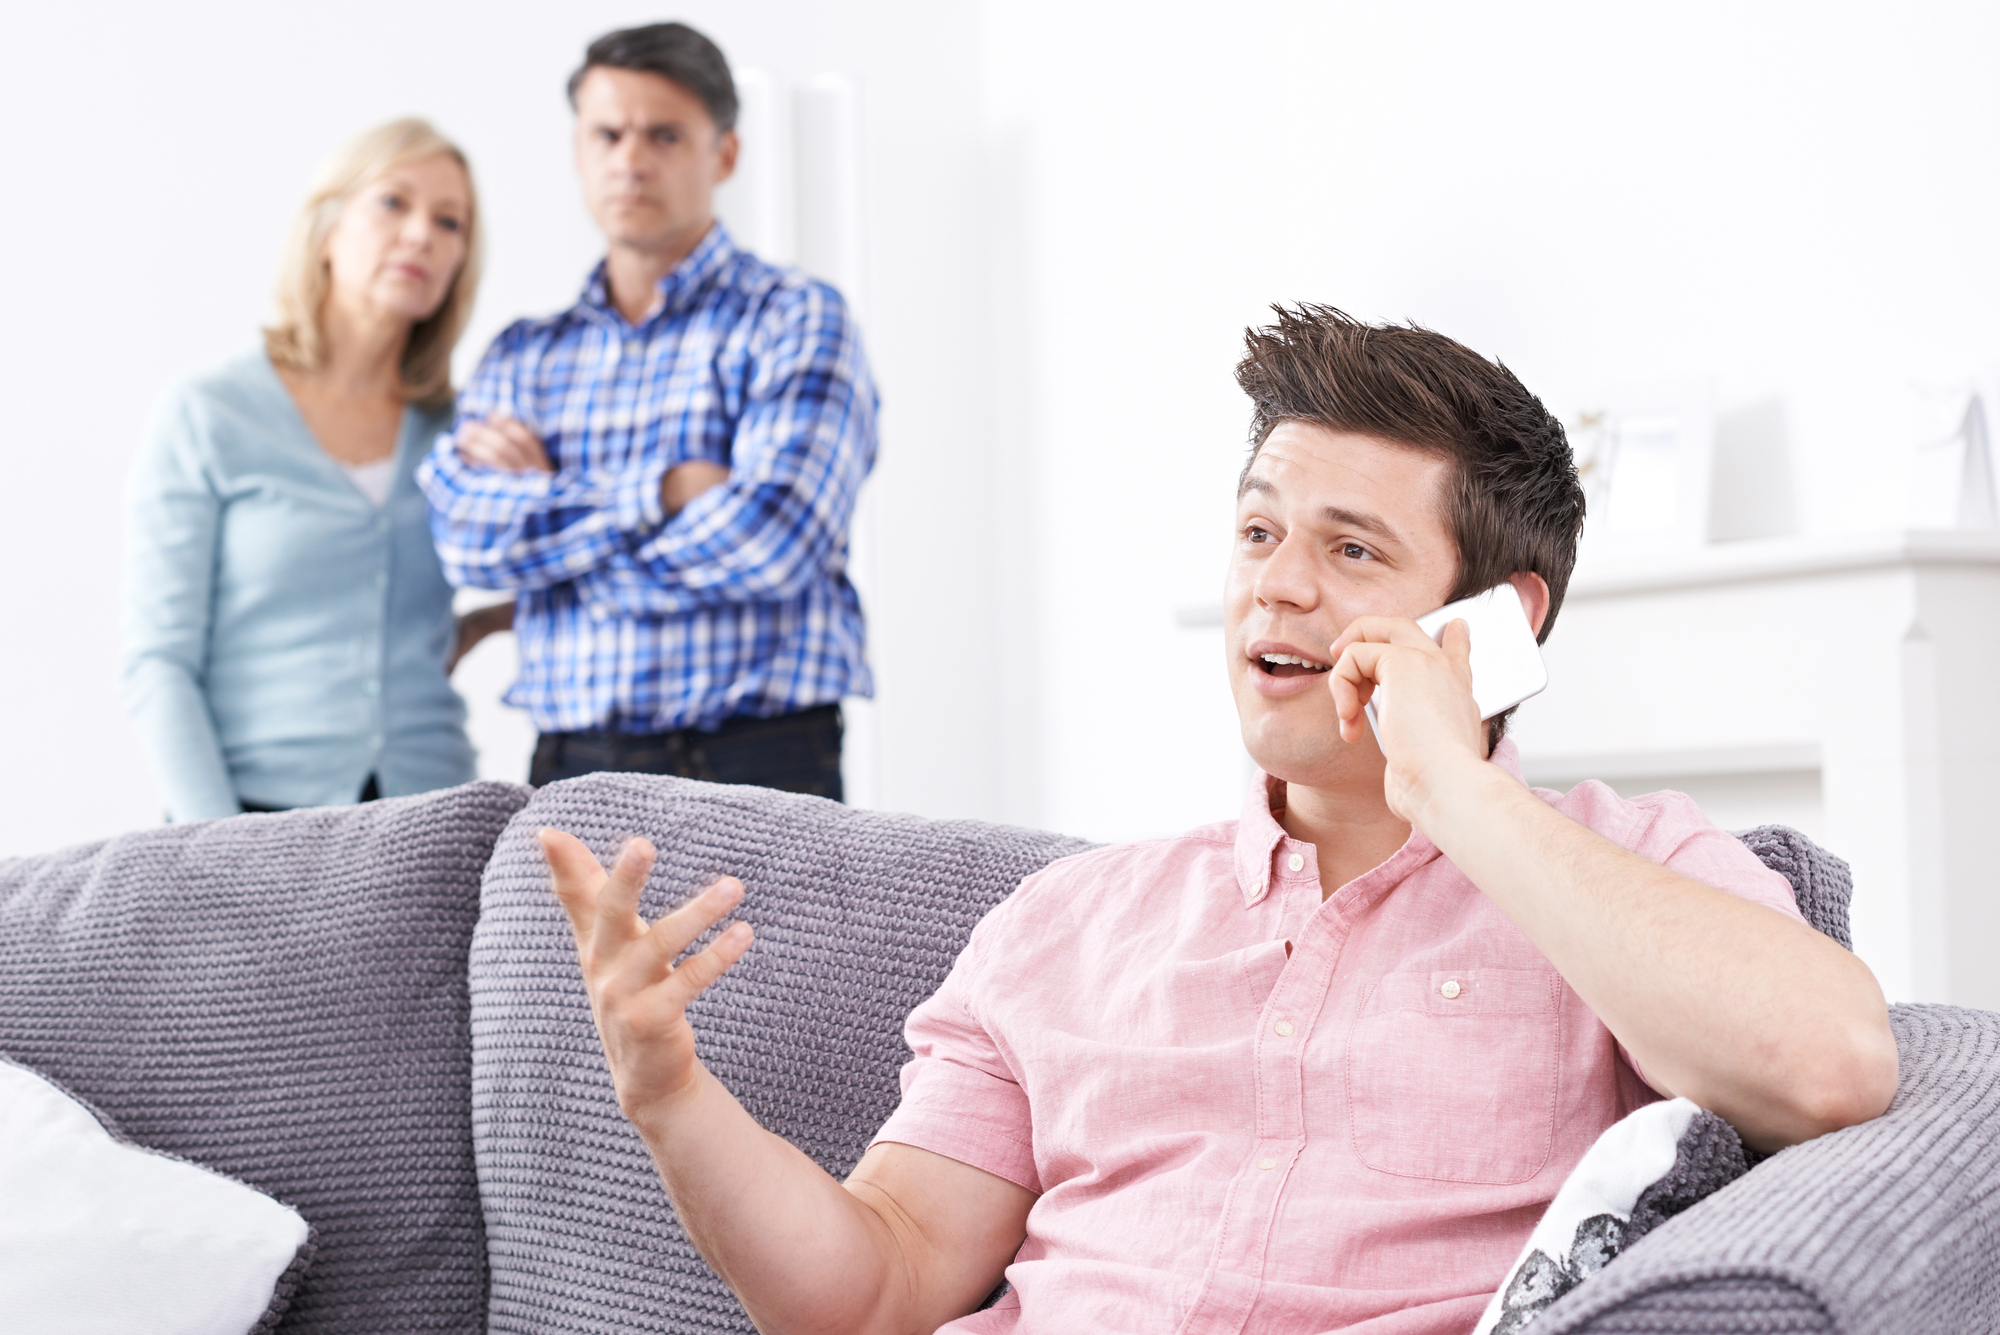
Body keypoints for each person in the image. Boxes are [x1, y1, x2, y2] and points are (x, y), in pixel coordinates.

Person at [538, 307, 1901, 1333]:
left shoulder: (1629, 866)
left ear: (1500, 623)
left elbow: (1833, 1064)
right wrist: (673, 1101)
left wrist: (1455, 786)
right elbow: (880, 1277)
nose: (1279, 589)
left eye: (1350, 548)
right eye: (1259, 534)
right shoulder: (1066, 924)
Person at [418, 21, 878, 799]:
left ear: (723, 154)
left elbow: (770, 541)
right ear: (579, 150)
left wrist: (554, 565)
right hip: (570, 766)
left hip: (757, 758)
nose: (630, 160)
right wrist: (664, 493)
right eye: (608, 134)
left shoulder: (796, 318)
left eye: (664, 135)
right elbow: (466, 540)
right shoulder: (524, 354)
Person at [123, 119, 488, 820]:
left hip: (433, 817)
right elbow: (158, 661)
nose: (421, 235)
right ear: (326, 227)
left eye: (450, 222)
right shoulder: (211, 412)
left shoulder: (462, 429)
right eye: (393, 203)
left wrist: (489, 621)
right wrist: (216, 838)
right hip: (249, 816)